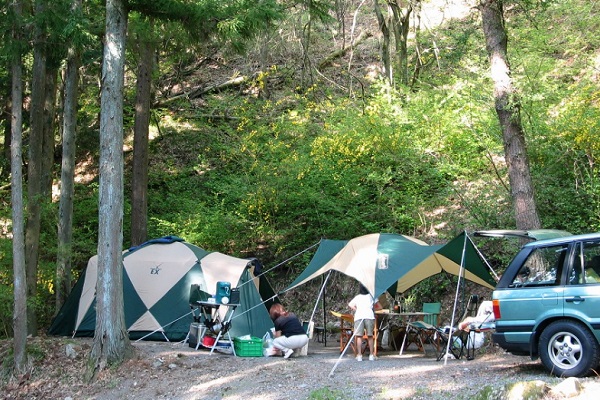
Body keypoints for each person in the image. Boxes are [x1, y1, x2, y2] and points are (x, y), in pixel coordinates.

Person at [348, 284, 379, 361]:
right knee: (370, 336)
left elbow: (350, 304)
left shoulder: (357, 297)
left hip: (359, 316)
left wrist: (357, 309)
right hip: (369, 316)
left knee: (359, 336)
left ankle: (359, 355)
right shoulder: (372, 296)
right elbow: (379, 306)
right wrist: (372, 309)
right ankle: (371, 355)